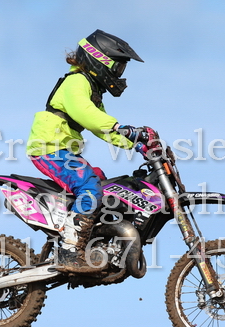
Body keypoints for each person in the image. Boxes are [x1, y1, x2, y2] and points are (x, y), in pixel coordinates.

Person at [26, 29, 145, 273]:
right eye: (118, 67)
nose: (119, 73)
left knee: (104, 185)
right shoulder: (76, 81)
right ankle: (70, 250)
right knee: (90, 188)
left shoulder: (91, 88)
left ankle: (94, 242)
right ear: (101, 60)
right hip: (49, 148)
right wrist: (120, 127)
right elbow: (86, 114)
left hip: (63, 149)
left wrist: (137, 143)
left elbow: (103, 128)